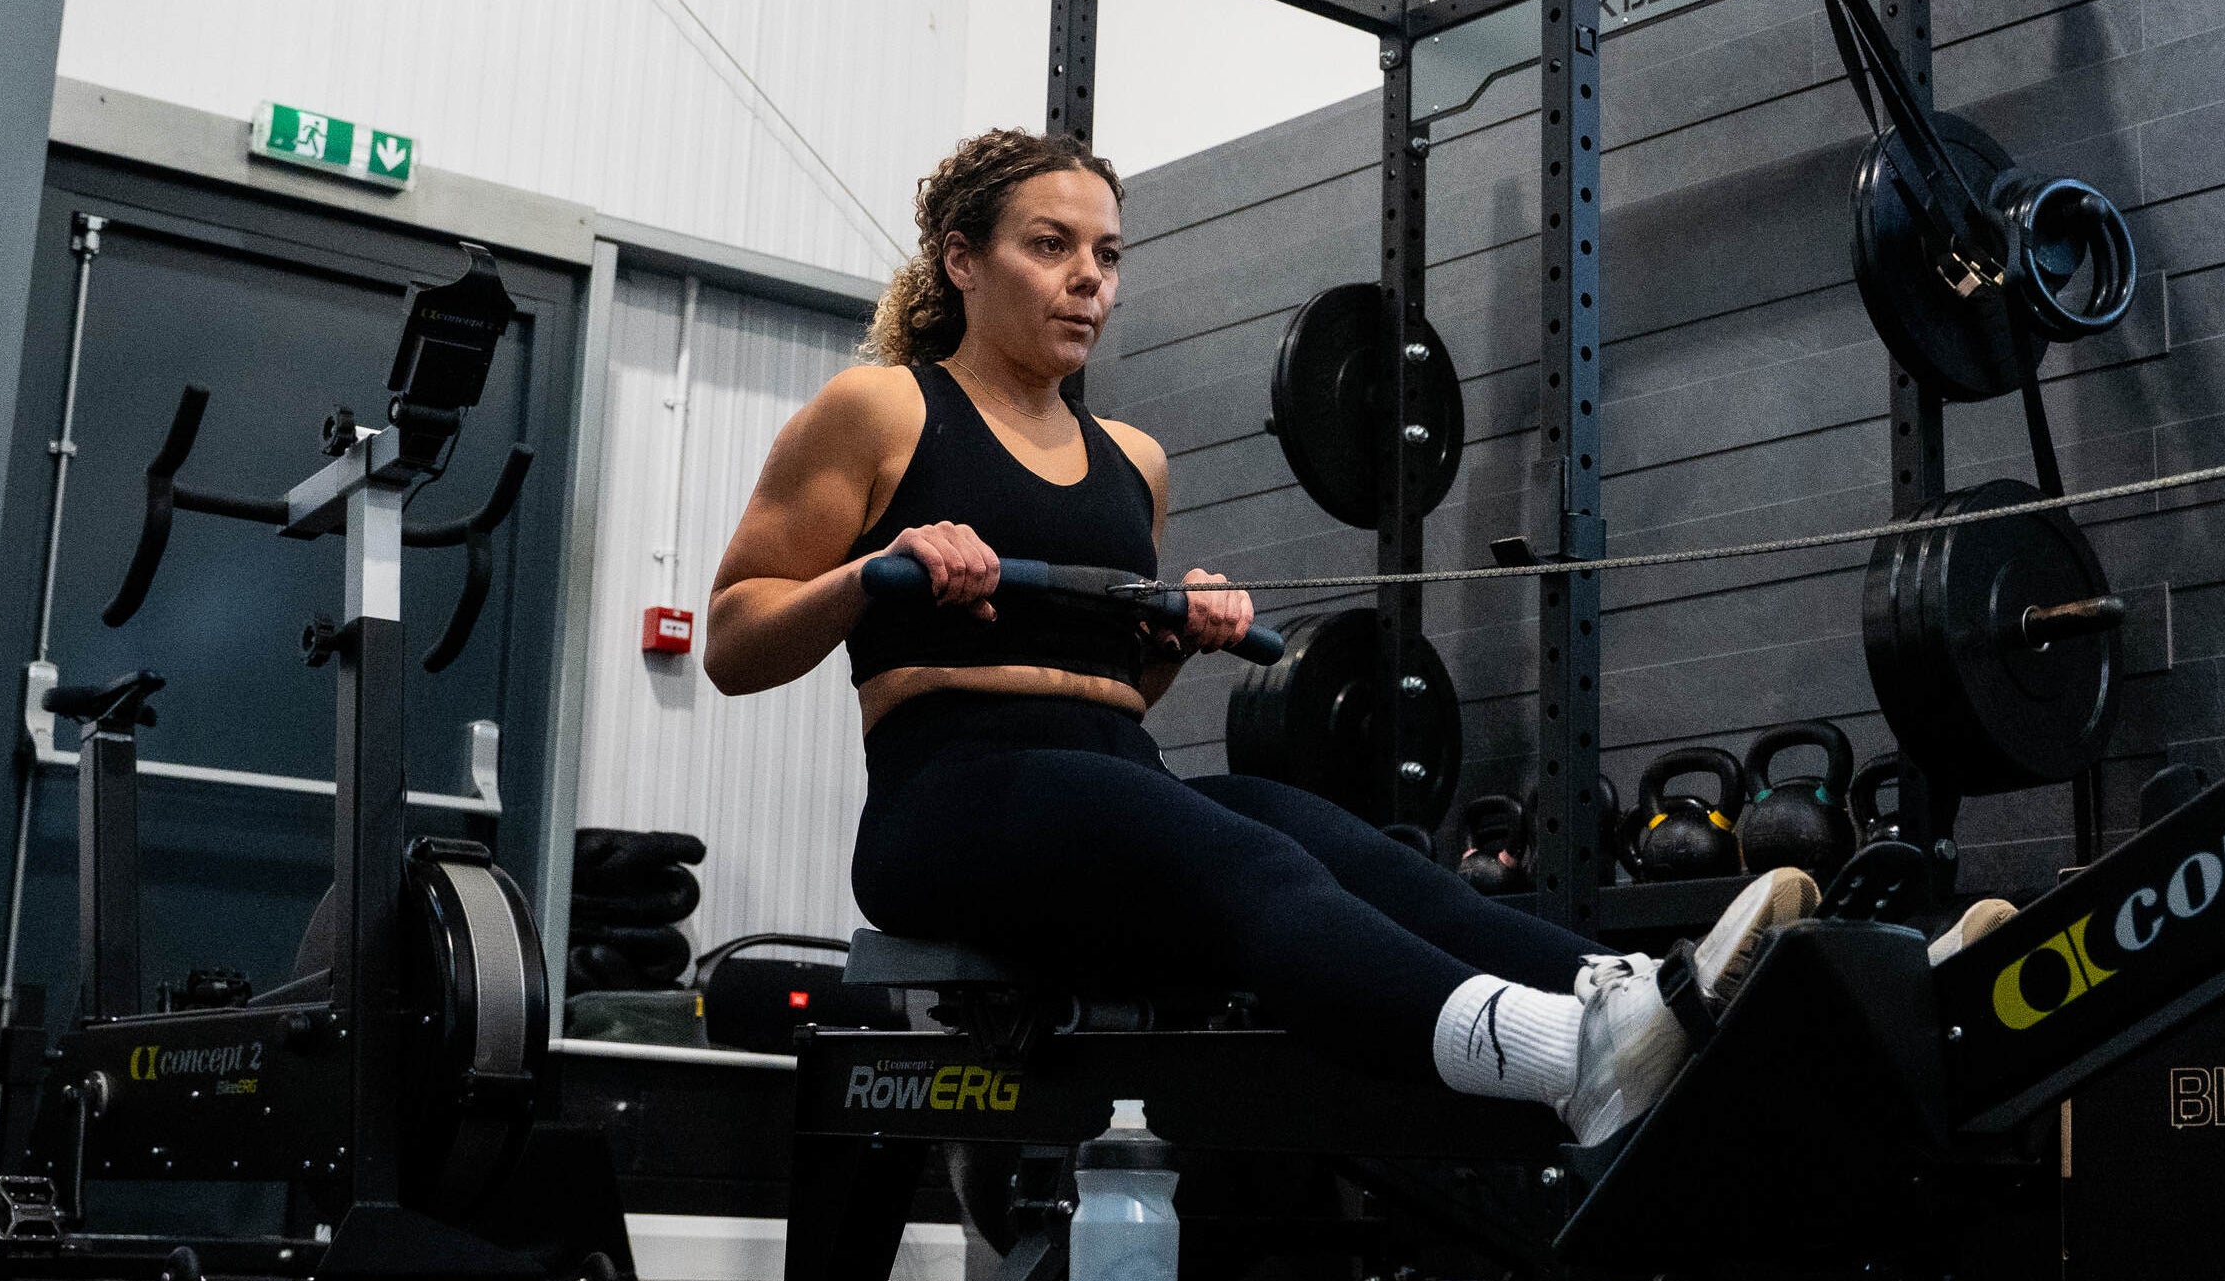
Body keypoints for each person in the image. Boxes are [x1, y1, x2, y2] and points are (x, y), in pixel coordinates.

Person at [698, 128, 1811, 1144]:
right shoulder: (883, 407)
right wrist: (874, 572)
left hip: (1112, 786)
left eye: (1107, 253)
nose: (1089, 276)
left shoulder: (1132, 457)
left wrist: (1177, 636)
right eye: (1051, 245)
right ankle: (1566, 1057)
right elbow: (735, 639)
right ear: (961, 260)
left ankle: (1654, 1001)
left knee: (1354, 848)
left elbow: (1111, 696)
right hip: (948, 801)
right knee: (1247, 855)